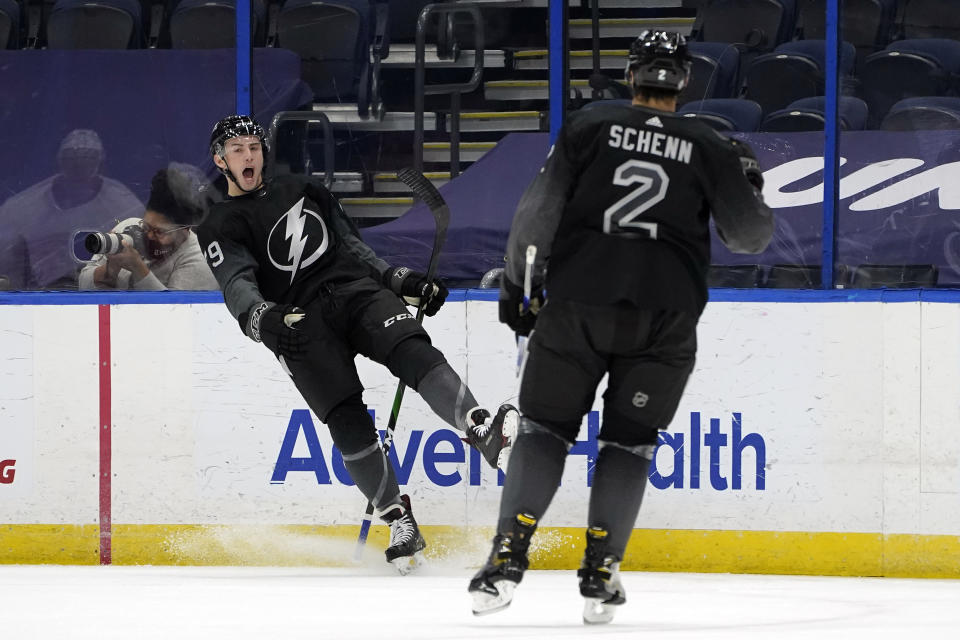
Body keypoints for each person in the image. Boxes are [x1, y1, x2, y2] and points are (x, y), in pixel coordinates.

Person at [468, 30, 775, 623]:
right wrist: (752, 190)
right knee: (628, 443)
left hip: (578, 306)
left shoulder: (589, 126)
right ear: (685, 79)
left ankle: (505, 560)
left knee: (543, 432)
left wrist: (519, 289)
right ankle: (600, 570)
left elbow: (536, 215)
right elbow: (750, 236)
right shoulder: (710, 144)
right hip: (665, 320)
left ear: (632, 73)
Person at [196, 115, 519, 574]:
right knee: (346, 420)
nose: (249, 156)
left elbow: (353, 247)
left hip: (354, 292)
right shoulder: (218, 222)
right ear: (220, 160)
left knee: (413, 350)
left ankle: (480, 428)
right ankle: (398, 518)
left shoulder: (305, 189)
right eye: (238, 150)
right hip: (297, 322)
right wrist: (259, 316)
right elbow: (235, 281)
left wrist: (397, 278)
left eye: (254, 147)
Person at [0, 129, 143, 289]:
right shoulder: (21, 208)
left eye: (88, 158)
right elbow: (8, 270)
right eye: (72, 158)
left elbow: (142, 255)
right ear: (59, 160)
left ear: (100, 162)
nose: (79, 165)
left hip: (107, 296)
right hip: (37, 299)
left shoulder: (124, 204)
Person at [79, 165, 218, 290]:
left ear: (185, 229)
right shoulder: (128, 228)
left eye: (159, 232)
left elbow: (176, 312)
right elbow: (82, 286)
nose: (149, 235)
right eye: (146, 226)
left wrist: (138, 268)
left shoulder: (199, 259)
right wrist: (110, 271)